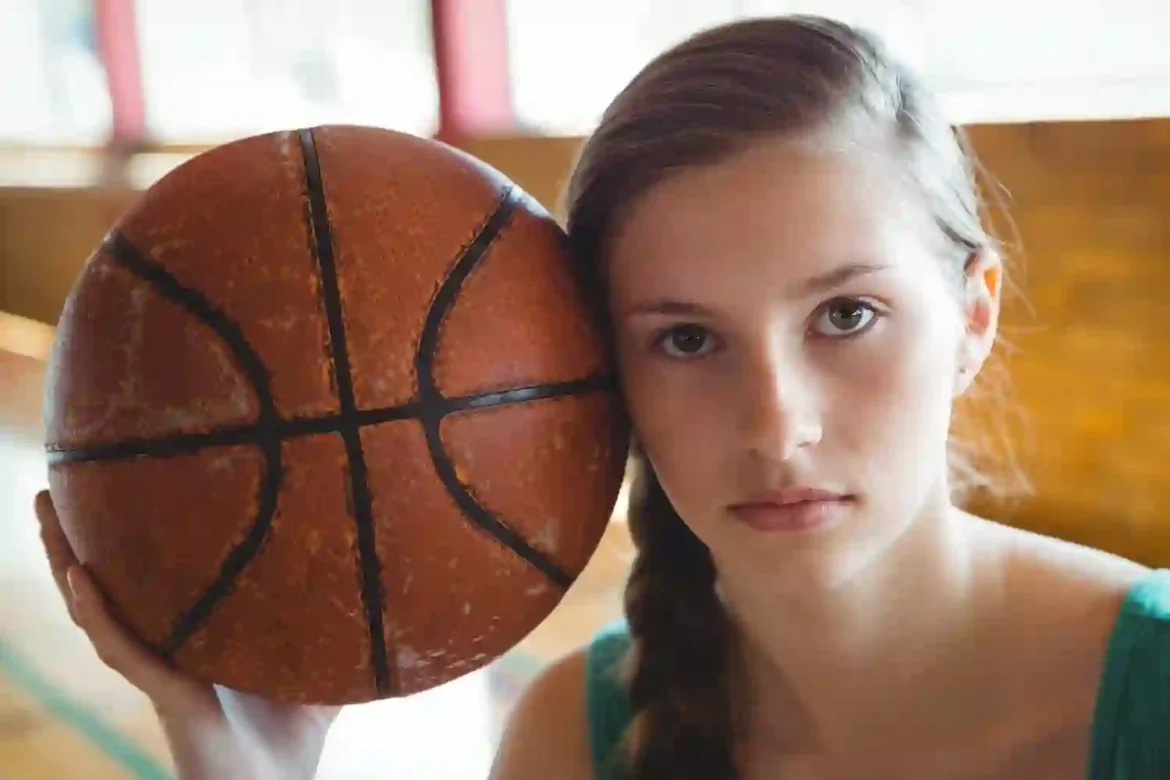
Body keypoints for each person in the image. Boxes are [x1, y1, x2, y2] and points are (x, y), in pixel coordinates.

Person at [34, 14, 1170, 780]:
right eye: (687, 338)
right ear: (592, 380)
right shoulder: (568, 743)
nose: (777, 425)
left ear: (972, 318)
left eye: (845, 316)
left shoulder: (1149, 693)